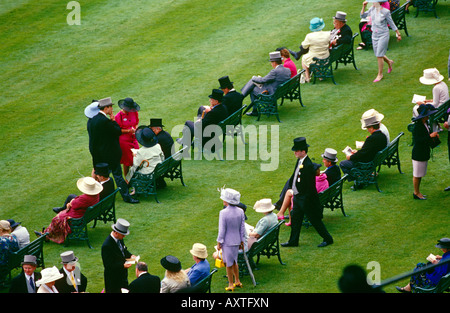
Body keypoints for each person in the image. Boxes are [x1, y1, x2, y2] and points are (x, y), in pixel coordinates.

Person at [281, 137, 334, 248]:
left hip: (306, 199)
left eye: (297, 150)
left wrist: (302, 197)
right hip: (299, 197)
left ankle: (328, 239)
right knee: (295, 219)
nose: (295, 152)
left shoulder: (308, 165)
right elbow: (295, 176)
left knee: (315, 221)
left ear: (303, 151)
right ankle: (293, 241)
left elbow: (309, 186)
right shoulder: (300, 161)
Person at [88, 97, 139, 204]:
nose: (112, 110)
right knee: (118, 176)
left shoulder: (92, 120)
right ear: (106, 108)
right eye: (111, 107)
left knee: (101, 177)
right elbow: (117, 131)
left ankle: (94, 197)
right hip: (110, 154)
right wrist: (113, 120)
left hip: (98, 154)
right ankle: (126, 197)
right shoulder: (106, 121)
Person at [36, 177, 103, 243]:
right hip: (85, 214)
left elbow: (74, 204)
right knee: (61, 213)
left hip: (78, 217)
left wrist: (71, 202)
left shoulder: (85, 198)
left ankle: (47, 235)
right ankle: (46, 234)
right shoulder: (96, 195)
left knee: (57, 219)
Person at [360, 0, 401, 82]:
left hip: (383, 35)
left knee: (379, 55)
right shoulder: (372, 9)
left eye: (374, 2)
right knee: (378, 54)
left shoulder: (386, 12)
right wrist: (364, 6)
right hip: (374, 35)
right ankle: (389, 62)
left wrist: (398, 33)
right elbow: (362, 16)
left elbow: (391, 23)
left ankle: (380, 74)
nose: (372, 3)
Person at [339, 114, 388, 183]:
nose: (368, 130)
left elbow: (363, 154)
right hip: (374, 159)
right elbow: (366, 151)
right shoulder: (382, 136)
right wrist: (357, 152)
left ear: (371, 127)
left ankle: (359, 180)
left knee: (343, 164)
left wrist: (351, 157)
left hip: (367, 163)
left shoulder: (372, 139)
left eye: (368, 128)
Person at [241, 51, 291, 116]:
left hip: (270, 94)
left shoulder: (275, 71)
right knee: (253, 83)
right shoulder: (287, 70)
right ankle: (241, 97)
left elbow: (263, 80)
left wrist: (254, 77)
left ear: (274, 62)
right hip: (278, 91)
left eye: (271, 62)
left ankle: (243, 100)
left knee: (252, 88)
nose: (271, 64)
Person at [217, 187, 246, 291]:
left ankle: (230, 284)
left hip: (227, 242)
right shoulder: (240, 211)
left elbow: (222, 230)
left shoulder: (223, 213)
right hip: (237, 240)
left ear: (227, 201)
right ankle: (237, 280)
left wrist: (219, 241)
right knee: (234, 261)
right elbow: (242, 228)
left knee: (228, 264)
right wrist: (242, 240)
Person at [101, 218, 137, 293]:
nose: (124, 236)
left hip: (122, 276)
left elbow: (123, 250)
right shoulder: (107, 245)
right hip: (113, 279)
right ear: (116, 233)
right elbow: (108, 265)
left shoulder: (119, 238)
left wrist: (130, 256)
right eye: (123, 234)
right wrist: (122, 266)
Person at [411, 104, 439, 200]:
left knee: (420, 174)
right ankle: (416, 193)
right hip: (418, 153)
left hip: (423, 152)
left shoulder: (425, 123)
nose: (428, 116)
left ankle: (418, 192)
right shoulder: (418, 126)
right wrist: (430, 136)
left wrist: (433, 137)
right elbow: (418, 140)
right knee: (417, 175)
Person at [296, 17, 331, 83]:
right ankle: (319, 75)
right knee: (310, 58)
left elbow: (304, 46)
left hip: (315, 58)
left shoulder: (309, 36)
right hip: (326, 57)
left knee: (304, 58)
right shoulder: (328, 33)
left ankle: (307, 77)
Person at [115, 97, 140, 178]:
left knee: (137, 158)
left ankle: (134, 177)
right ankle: (127, 179)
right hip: (124, 141)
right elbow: (118, 130)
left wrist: (135, 129)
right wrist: (128, 131)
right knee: (127, 161)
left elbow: (136, 123)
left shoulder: (134, 112)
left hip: (133, 139)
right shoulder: (118, 116)